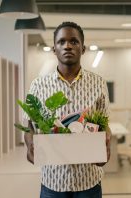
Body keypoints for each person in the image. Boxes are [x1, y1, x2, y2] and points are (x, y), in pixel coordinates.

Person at [24, 21, 111, 198]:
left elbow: (104, 124)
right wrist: (30, 144)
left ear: (83, 48)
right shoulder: (39, 85)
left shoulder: (98, 83)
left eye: (74, 41)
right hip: (53, 181)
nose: (68, 46)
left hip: (88, 180)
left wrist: (106, 145)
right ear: (54, 49)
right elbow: (29, 126)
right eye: (61, 42)